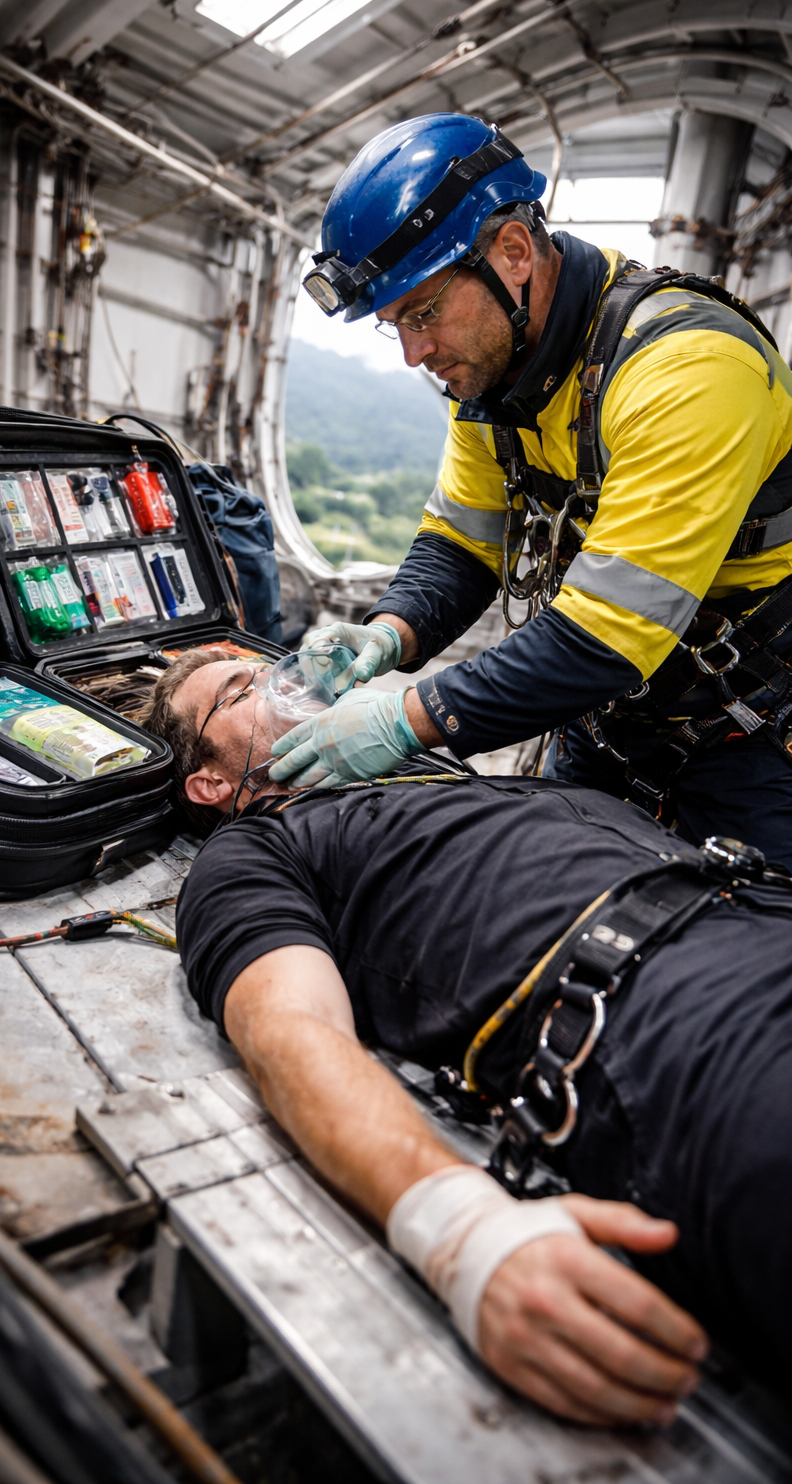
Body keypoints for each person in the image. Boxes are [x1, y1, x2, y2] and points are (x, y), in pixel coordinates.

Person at [142, 649, 792, 1423]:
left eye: (282, 665)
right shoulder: (256, 852)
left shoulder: (462, 776)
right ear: (211, 783)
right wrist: (458, 1232)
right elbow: (289, 1029)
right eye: (243, 689)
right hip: (675, 1021)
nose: (290, 682)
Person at [271, 113, 792, 866]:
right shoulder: (493, 383)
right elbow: (462, 545)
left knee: (746, 960)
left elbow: (604, 635)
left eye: (423, 313)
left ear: (513, 252)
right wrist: (387, 633)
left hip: (750, 733)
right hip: (607, 721)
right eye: (396, 326)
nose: (416, 353)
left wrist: (408, 720)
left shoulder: (689, 368)